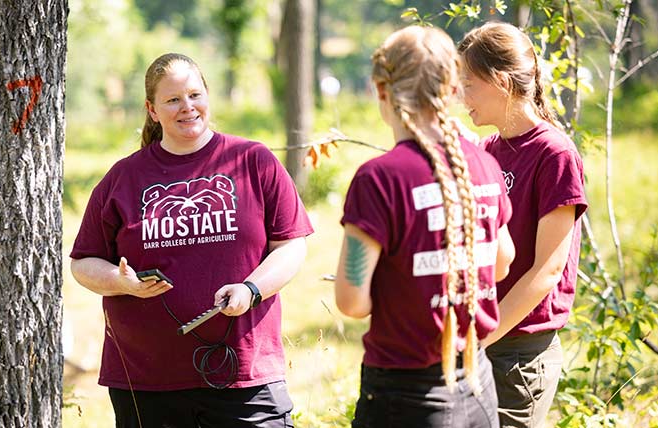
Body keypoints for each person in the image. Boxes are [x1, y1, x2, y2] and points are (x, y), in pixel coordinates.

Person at [70, 52, 313, 428]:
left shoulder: (254, 161)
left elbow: (292, 245)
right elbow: (83, 263)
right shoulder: (123, 178)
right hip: (148, 381)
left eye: (195, 95)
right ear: (152, 110)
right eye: (173, 100)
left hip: (244, 371)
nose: (188, 108)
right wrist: (122, 283)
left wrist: (252, 289)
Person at [334, 25, 516, 428]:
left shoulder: (379, 178)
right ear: (452, 90)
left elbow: (351, 301)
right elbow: (502, 261)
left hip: (404, 398)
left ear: (381, 90)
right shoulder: (485, 164)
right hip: (478, 384)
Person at [458, 22, 588, 428]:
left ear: (500, 81)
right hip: (481, 343)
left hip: (519, 355)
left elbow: (547, 270)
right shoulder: (487, 150)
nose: (463, 97)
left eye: (469, 84)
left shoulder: (555, 154)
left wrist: (482, 337)